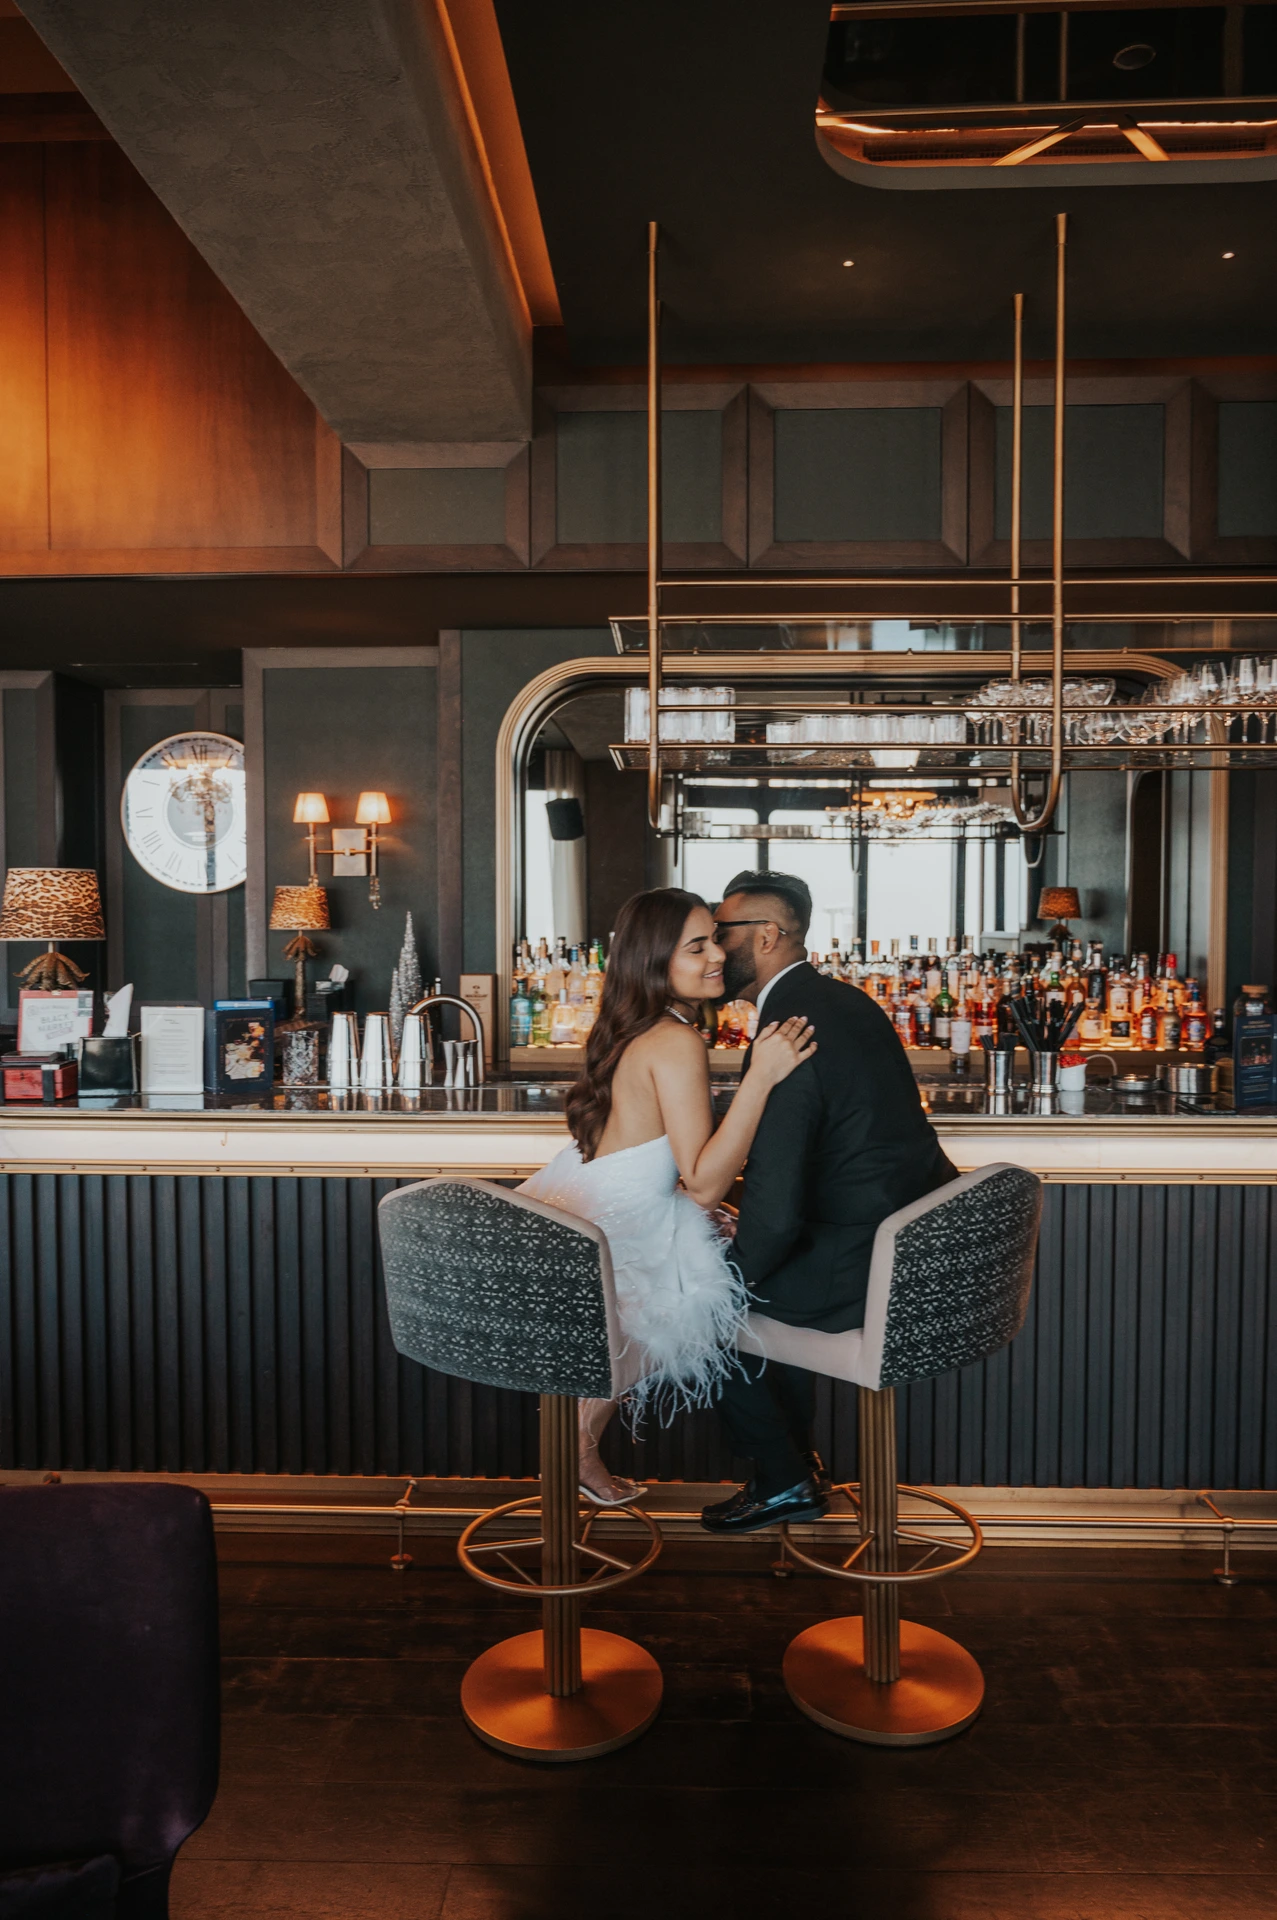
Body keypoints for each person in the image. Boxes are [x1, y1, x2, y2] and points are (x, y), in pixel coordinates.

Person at [519, 887, 816, 1506]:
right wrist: (760, 1076)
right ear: (657, 960)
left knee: (650, 1315)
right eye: (698, 945)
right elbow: (703, 1181)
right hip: (615, 1233)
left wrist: (697, 1207)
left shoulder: (638, 1028)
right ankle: (783, 1468)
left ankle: (576, 1450)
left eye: (716, 937)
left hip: (587, 1218)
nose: (718, 956)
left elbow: (663, 1168)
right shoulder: (678, 1040)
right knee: (695, 1304)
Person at [702, 870, 958, 1535]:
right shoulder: (843, 1001)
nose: (708, 947)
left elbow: (779, 1202)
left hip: (864, 1267)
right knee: (752, 1270)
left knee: (698, 1301)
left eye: (718, 933)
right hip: (911, 1250)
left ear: (764, 935)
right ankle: (791, 1466)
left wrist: (728, 1268)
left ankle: (784, 1478)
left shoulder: (789, 1031)